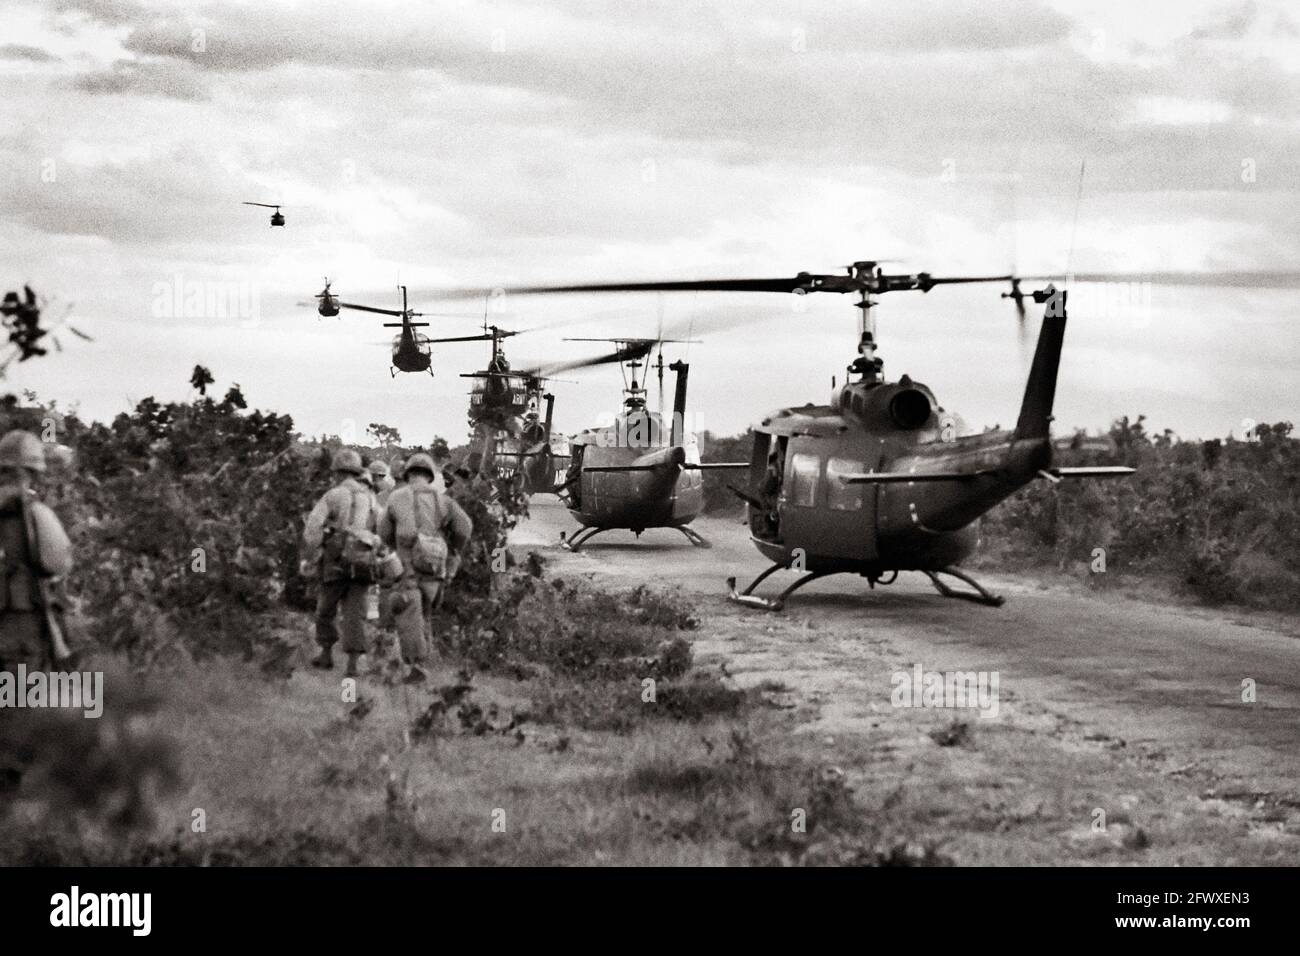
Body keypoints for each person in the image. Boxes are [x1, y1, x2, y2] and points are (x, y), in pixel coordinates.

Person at [379, 453, 471, 684]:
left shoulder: (396, 497)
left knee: (408, 616)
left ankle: (416, 670)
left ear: (408, 474)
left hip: (406, 569)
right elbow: (464, 528)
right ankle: (425, 666)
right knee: (424, 617)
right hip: (434, 569)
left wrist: (394, 550)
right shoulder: (444, 501)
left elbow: (383, 534)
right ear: (430, 476)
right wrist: (453, 553)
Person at [0, 430, 73, 671]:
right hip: (23, 617)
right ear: (33, 471)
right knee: (21, 698)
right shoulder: (34, 512)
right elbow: (56, 562)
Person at [302, 448, 378, 677]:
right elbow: (381, 527)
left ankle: (325, 654)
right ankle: (353, 664)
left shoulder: (333, 495)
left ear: (337, 472)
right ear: (356, 472)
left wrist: (312, 553)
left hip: (334, 561)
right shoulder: (371, 498)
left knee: (325, 609)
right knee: (356, 613)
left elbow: (313, 527)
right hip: (363, 561)